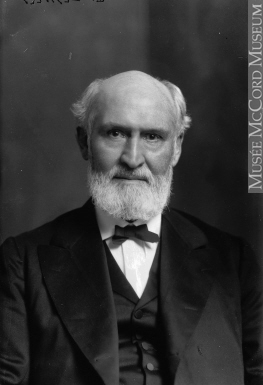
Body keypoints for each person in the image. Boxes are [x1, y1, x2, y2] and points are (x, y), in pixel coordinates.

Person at [0, 71, 262, 385]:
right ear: (84, 141)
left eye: (153, 136)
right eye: (115, 134)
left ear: (176, 147)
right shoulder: (22, 261)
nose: (133, 158)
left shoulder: (233, 261)